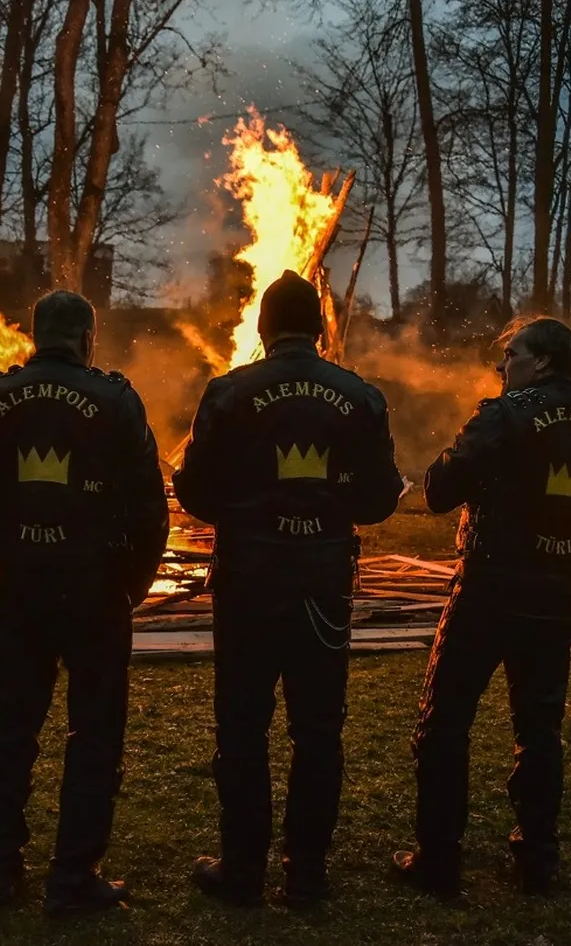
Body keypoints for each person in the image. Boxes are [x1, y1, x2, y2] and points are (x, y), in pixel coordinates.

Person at [173, 270, 404, 909]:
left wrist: (246, 508)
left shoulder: (229, 392)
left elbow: (191, 492)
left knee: (242, 729)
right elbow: (381, 499)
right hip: (322, 584)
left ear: (261, 328)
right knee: (319, 730)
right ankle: (307, 874)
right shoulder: (359, 396)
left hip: (248, 581)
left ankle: (243, 872)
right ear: (323, 329)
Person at [394, 317, 571, 898]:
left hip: (489, 588)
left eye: (512, 354)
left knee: (445, 722)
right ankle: (537, 860)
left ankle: (440, 859)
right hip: (556, 593)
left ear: (542, 361)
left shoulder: (503, 413)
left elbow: (439, 491)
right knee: (540, 728)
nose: (503, 366)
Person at [0, 290, 168, 915]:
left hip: (20, 590)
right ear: (87, 338)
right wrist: (134, 584)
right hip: (96, 592)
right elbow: (150, 508)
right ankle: (72, 877)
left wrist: (1, 562)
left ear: (35, 334)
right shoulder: (116, 399)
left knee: (10, 730)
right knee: (95, 734)